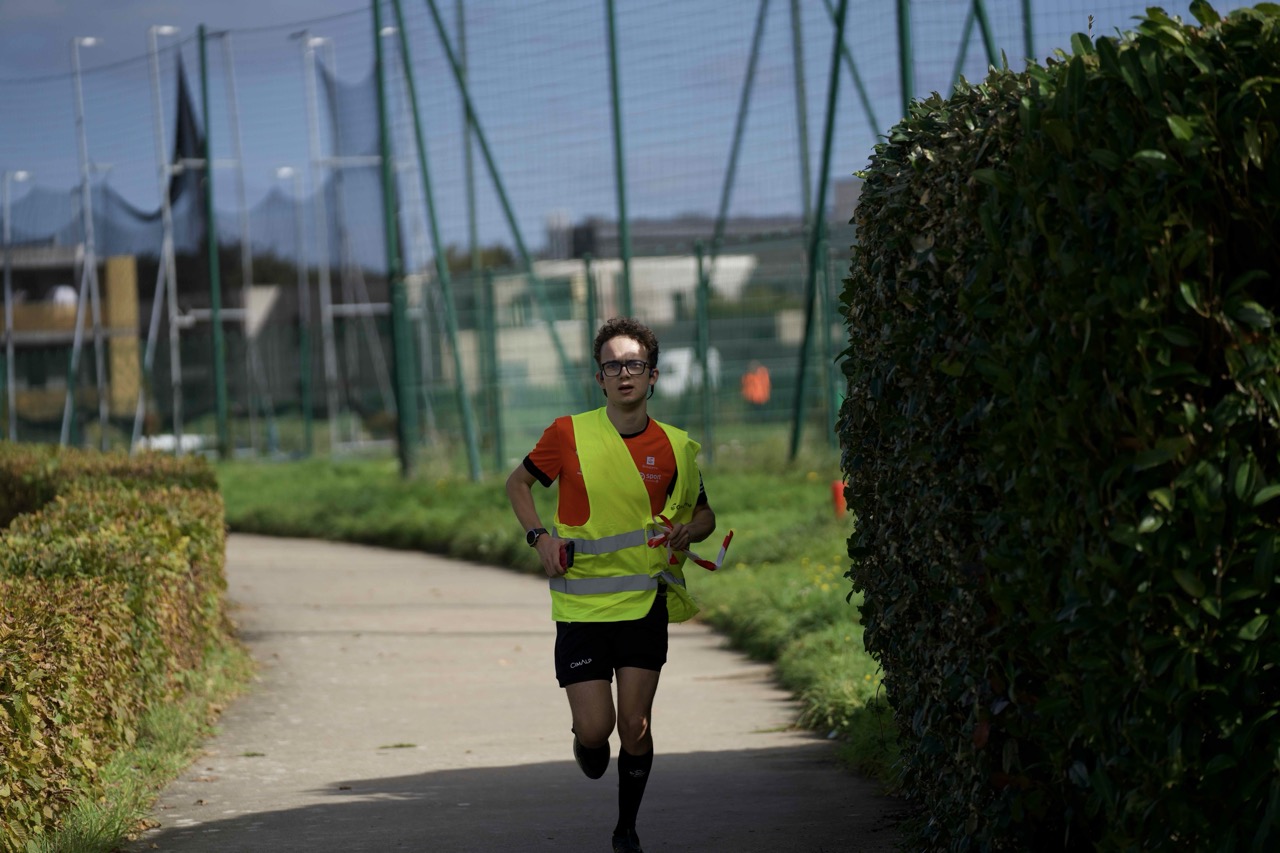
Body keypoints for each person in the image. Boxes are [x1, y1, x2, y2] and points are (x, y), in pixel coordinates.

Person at [506, 316, 718, 853]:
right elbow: (518, 483)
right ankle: (586, 740)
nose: (624, 374)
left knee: (636, 725)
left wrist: (690, 531)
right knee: (597, 731)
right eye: (613, 365)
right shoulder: (568, 434)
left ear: (653, 375)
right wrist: (539, 537)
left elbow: (704, 514)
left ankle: (626, 830)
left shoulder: (676, 446)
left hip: (645, 601)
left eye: (635, 364)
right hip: (582, 608)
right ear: (598, 378)